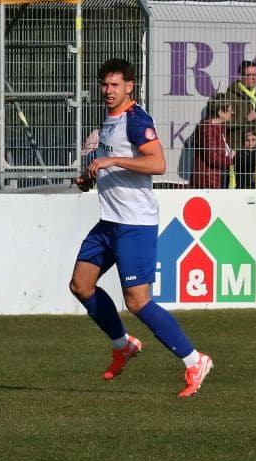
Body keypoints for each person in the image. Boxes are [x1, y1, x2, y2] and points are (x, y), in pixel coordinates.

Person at [71, 58, 213, 398]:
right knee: (81, 285)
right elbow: (111, 167)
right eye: (104, 84)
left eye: (115, 85)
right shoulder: (109, 121)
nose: (108, 90)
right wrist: (89, 177)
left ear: (130, 87)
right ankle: (123, 344)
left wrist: (112, 160)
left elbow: (158, 163)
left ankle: (195, 360)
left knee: (137, 301)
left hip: (135, 223)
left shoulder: (136, 119)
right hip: (109, 221)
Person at [188, 94, 234, 189]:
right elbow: (212, 157)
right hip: (208, 180)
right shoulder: (207, 129)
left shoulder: (221, 127)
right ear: (220, 112)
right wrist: (232, 159)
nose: (232, 112)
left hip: (218, 176)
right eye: (229, 110)